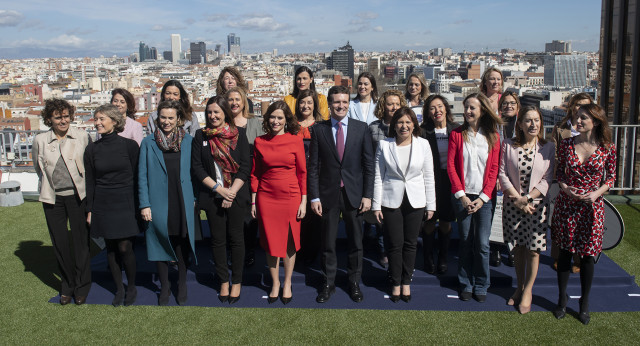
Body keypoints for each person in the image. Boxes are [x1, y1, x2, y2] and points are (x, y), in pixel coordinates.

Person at [551, 104, 616, 325]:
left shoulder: (607, 147)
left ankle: (584, 303)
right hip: (567, 205)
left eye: (583, 118)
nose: (577, 122)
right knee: (565, 254)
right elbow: (560, 172)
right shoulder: (567, 144)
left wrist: (597, 193)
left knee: (588, 257)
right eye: (577, 118)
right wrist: (566, 188)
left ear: (595, 122)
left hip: (592, 208)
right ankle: (561, 299)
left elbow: (611, 178)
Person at [308, 85, 374, 303]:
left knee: (356, 242)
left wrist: (367, 195)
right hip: (328, 195)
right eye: (337, 102)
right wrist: (314, 197)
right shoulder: (319, 130)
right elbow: (314, 166)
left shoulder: (361, 128)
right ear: (329, 103)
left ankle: (354, 282)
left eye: (345, 102)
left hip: (354, 194)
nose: (341, 106)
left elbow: (368, 164)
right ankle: (328, 283)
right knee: (328, 242)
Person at [372, 107, 436, 302]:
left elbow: (429, 176)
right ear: (394, 125)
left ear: (414, 125)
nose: (404, 126)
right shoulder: (384, 145)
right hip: (391, 201)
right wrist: (376, 205)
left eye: (408, 122)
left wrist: (431, 204)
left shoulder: (423, 145)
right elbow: (378, 177)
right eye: (400, 122)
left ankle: (406, 281)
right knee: (394, 244)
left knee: (410, 244)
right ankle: (395, 281)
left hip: (416, 200)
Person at [32, 98, 92, 305]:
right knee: (60, 243)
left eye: (66, 116)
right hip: (53, 198)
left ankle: (82, 285)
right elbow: (38, 168)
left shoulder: (82, 136)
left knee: (80, 242)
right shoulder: (40, 140)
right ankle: (67, 285)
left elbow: (89, 167)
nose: (63, 121)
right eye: (58, 117)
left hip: (78, 197)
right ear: (49, 119)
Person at [191, 96, 250, 304]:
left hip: (236, 195)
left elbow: (245, 166)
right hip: (212, 195)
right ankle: (223, 280)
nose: (212, 116)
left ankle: (237, 281)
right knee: (217, 241)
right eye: (209, 112)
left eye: (216, 112)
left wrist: (230, 192)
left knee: (236, 239)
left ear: (225, 112)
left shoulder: (239, 134)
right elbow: (197, 167)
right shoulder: (201, 136)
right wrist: (218, 189)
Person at [138, 100, 197, 306]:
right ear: (157, 118)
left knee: (181, 244)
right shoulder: (148, 143)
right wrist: (144, 204)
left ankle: (182, 284)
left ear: (179, 119)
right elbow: (142, 176)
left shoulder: (189, 141)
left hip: (182, 198)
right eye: (163, 117)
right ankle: (164, 286)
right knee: (160, 243)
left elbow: (195, 172)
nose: (166, 121)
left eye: (171, 117)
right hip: (157, 201)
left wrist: (195, 199)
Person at [498, 106, 555, 314]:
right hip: (513, 204)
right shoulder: (508, 145)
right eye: (528, 120)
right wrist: (518, 199)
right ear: (520, 124)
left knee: (533, 249)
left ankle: (528, 290)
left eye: (537, 120)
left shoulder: (548, 147)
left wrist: (528, 198)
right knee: (518, 248)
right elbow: (502, 174)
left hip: (536, 206)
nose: (533, 124)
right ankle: (519, 286)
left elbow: (547, 178)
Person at [251, 101, 307, 304]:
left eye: (280, 118)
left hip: (291, 196)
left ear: (286, 120)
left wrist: (303, 201)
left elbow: (302, 172)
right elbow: (255, 173)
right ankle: (275, 282)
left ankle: (288, 282)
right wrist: (254, 201)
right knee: (270, 242)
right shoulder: (259, 141)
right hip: (267, 197)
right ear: (267, 120)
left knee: (290, 241)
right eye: (272, 117)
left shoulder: (295, 141)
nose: (275, 121)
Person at [84, 104, 141, 306]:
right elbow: (90, 181)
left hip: (126, 201)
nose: (98, 122)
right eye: (96, 119)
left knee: (125, 247)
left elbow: (137, 177)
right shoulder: (91, 149)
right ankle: (118, 289)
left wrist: (140, 205)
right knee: (110, 249)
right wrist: (90, 209)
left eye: (102, 119)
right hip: (103, 202)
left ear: (114, 122)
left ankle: (131, 287)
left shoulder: (130, 146)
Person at [448, 93, 502, 303]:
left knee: (482, 244)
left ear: (482, 111)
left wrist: (483, 198)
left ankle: (481, 283)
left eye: (472, 108)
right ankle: (466, 283)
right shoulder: (457, 134)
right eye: (466, 107)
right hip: (463, 196)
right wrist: (461, 196)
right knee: (465, 240)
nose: (468, 111)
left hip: (484, 199)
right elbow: (452, 167)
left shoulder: (493, 136)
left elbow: (494, 169)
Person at [549, 93, 594, 273]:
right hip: (564, 180)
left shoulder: (594, 129)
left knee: (583, 221)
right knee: (561, 222)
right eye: (577, 105)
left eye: (584, 105)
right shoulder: (560, 128)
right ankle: (559, 257)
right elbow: (555, 153)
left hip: (586, 182)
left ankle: (579, 257)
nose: (579, 109)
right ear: (571, 107)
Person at [420, 95, 459, 275]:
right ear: (428, 112)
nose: (437, 111)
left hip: (450, 180)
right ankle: (428, 258)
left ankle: (443, 258)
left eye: (440, 106)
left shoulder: (457, 130)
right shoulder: (422, 132)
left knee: (445, 221)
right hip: (429, 180)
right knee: (429, 221)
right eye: (433, 108)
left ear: (446, 108)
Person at [226, 85, 265, 267]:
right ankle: (233, 250)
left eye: (237, 100)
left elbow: (263, 149)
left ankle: (249, 250)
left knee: (250, 215)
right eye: (231, 100)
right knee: (230, 215)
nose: (234, 103)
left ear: (244, 103)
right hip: (228, 175)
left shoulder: (255, 122)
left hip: (251, 175)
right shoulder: (223, 122)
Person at [367, 89, 407, 266]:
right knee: (381, 217)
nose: (394, 107)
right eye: (390, 104)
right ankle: (384, 248)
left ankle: (397, 249)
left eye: (397, 104)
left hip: (400, 178)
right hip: (379, 178)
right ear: (383, 105)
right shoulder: (374, 128)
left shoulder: (407, 126)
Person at [294, 89, 323, 264]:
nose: (305, 106)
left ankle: (312, 252)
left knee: (314, 216)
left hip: (316, 176)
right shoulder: (291, 126)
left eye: (309, 102)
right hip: (295, 176)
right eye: (302, 102)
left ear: (315, 105)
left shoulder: (321, 126)